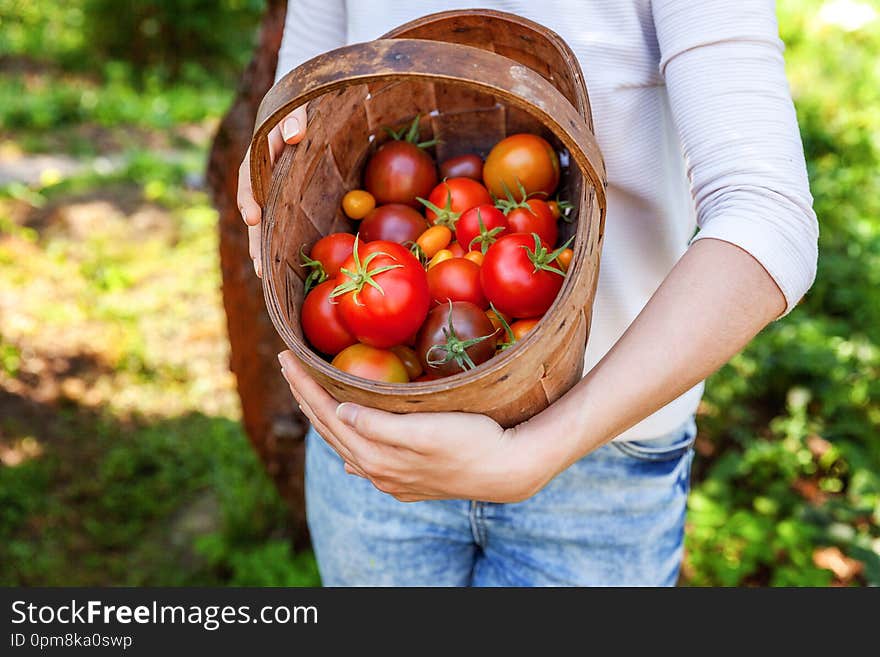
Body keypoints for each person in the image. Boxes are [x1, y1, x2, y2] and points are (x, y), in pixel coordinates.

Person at [237, 0, 818, 586]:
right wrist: (270, 167)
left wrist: (533, 453)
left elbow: (768, 219)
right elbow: (303, 118)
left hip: (604, 457)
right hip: (374, 441)